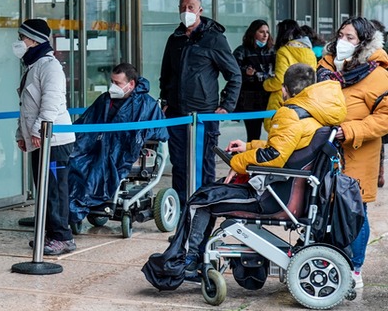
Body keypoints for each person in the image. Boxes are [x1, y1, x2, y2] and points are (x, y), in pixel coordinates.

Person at [143, 64, 347, 289]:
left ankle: (187, 262)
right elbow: (290, 148)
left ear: (283, 89)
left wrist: (238, 163)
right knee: (211, 192)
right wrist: (248, 146)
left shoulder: (290, 113)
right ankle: (191, 258)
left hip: (274, 198)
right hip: (291, 193)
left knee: (200, 200)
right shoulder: (317, 113)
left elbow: (275, 156)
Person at [317, 16, 388, 288]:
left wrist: (352, 131)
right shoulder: (324, 67)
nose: (342, 42)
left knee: (354, 211)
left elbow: (385, 117)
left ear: (363, 44)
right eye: (341, 35)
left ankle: (354, 268)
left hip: (358, 153)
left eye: (350, 38)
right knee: (324, 206)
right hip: (325, 150)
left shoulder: (377, 74)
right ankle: (330, 259)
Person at [159, 0, 241, 205]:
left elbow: (234, 74)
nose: (187, 11)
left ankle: (204, 207)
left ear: (200, 11)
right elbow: (166, 74)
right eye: (183, 7)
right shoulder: (174, 39)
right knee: (179, 163)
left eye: (191, 7)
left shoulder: (214, 39)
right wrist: (166, 101)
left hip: (204, 114)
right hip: (177, 114)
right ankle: (182, 208)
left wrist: (227, 105)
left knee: (204, 163)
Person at [68, 63, 168, 231]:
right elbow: (86, 123)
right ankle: (70, 209)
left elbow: (160, 133)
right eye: (112, 81)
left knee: (98, 171)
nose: (113, 86)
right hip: (99, 148)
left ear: (131, 84)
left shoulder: (146, 105)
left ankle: (76, 208)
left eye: (118, 83)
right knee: (74, 163)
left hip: (123, 152)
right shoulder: (104, 100)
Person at [12, 18, 77, 255]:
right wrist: (23, 134)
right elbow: (27, 105)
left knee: (55, 191)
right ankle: (50, 234)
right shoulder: (34, 65)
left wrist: (39, 130)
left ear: (35, 40)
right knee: (43, 189)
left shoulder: (50, 66)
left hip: (54, 140)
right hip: (41, 138)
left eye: (22, 38)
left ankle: (63, 237)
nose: (19, 42)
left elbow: (51, 103)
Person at [263, 19, 316, 132]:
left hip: (283, 98)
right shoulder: (310, 52)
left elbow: (279, 80)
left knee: (278, 132)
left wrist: (266, 84)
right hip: (304, 99)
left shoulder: (284, 51)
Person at [232, 19, 274, 141]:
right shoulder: (242, 51)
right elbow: (233, 72)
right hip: (250, 100)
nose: (265, 35)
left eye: (267, 32)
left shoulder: (273, 51)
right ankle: (252, 159)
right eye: (261, 32)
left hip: (269, 98)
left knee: (274, 134)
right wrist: (245, 72)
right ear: (253, 33)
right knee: (253, 135)